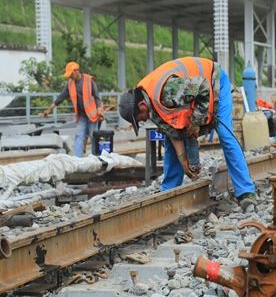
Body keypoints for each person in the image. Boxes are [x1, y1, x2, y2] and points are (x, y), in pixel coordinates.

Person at [118, 57, 257, 209]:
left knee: (225, 135)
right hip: (196, 94)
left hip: (214, 81)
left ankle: (246, 192)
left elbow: (203, 87)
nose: (143, 121)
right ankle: (169, 192)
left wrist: (195, 125)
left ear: (142, 105)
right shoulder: (148, 100)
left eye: (139, 119)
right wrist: (184, 161)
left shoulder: (168, 90)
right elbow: (172, 132)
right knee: (170, 145)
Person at [42, 61, 104, 157]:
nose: (70, 77)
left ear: (76, 71)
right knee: (79, 136)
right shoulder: (70, 84)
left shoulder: (89, 80)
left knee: (93, 136)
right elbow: (60, 97)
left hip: (93, 115)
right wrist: (49, 109)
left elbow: (97, 97)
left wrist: (100, 110)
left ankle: (96, 158)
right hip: (82, 115)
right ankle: (78, 160)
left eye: (71, 74)